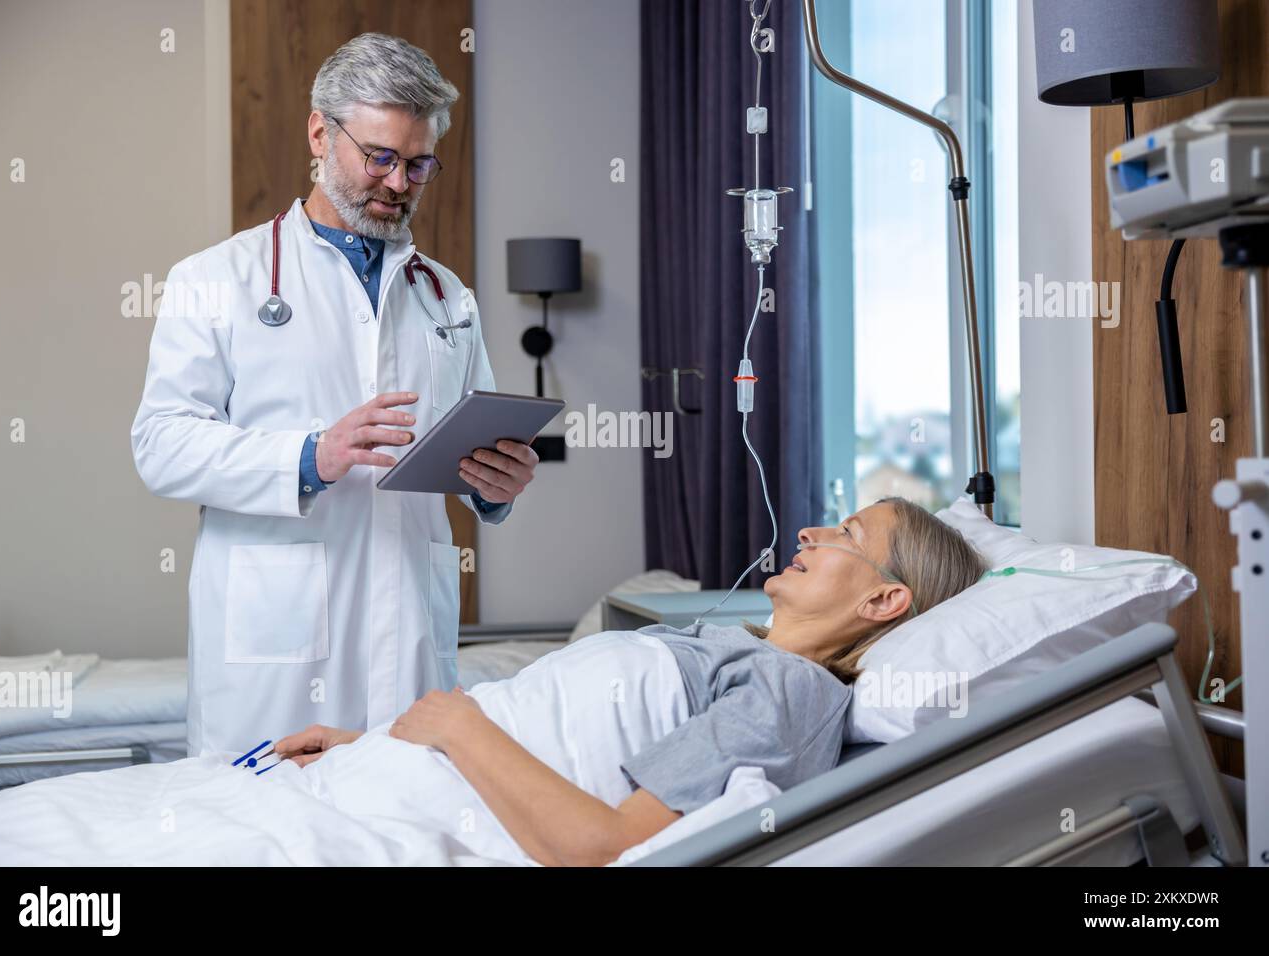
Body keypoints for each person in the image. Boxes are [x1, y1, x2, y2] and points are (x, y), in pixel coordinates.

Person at [130, 33, 537, 756]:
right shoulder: (217, 278)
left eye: (418, 165)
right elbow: (161, 444)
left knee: (405, 832)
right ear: (321, 132)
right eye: (378, 157)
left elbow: (478, 438)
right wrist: (311, 455)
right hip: (275, 640)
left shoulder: (448, 297)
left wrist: (497, 487)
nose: (398, 183)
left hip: (410, 623)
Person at [276, 497, 988, 866]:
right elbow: (542, 721)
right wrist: (375, 745)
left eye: (847, 534)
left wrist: (460, 728)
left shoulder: (792, 691)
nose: (809, 532)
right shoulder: (728, 649)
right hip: (374, 777)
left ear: (884, 601)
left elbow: (606, 846)